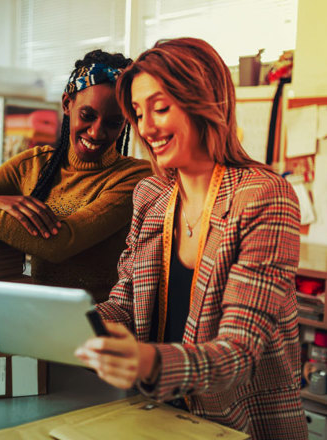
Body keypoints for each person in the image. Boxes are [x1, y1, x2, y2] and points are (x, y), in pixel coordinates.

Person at [75, 38, 308, 439]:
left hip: (242, 427)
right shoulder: (151, 196)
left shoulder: (263, 196)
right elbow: (126, 304)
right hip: (157, 418)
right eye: (138, 112)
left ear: (204, 101)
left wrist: (146, 361)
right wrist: (70, 325)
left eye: (160, 108)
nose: (146, 128)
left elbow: (238, 353)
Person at [0, 49, 151, 303]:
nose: (96, 132)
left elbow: (59, 243)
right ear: (67, 104)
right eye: (88, 116)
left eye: (114, 123)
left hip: (98, 326)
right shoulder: (33, 164)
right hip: (36, 315)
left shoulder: (135, 178)